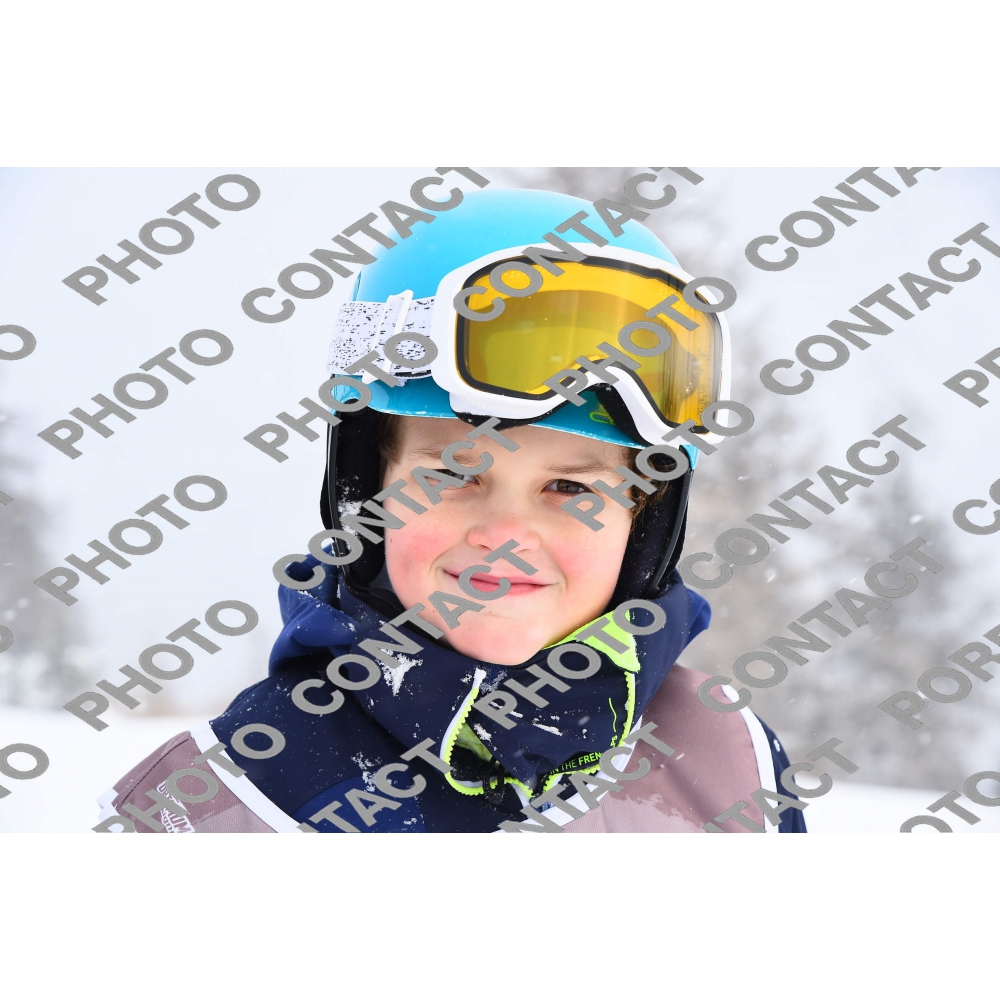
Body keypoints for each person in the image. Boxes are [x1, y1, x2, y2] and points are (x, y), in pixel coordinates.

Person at [97, 186, 806, 834]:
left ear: (643, 523)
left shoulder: (730, 763)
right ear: (366, 494)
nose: (506, 536)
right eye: (454, 476)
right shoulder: (220, 802)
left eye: (571, 490)